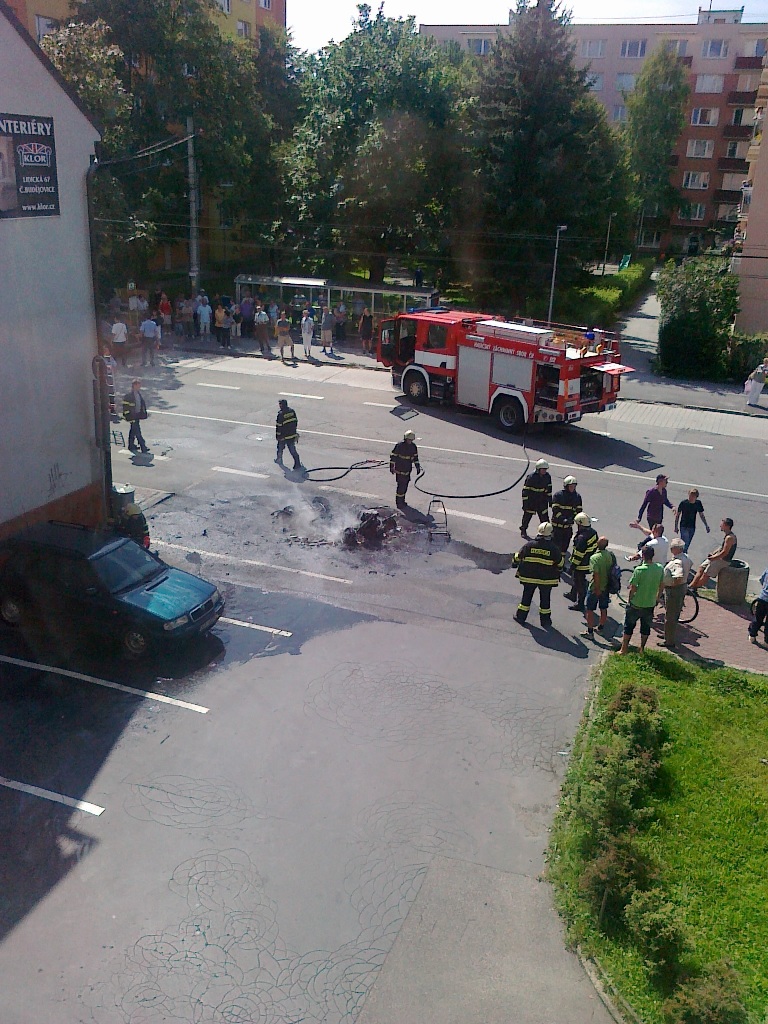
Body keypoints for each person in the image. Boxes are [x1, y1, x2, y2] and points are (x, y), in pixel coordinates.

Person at [513, 522, 564, 629]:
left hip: (529, 578)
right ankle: (545, 621)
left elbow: (518, 557)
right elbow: (560, 564)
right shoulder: (554, 548)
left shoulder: (529, 545)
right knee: (545, 600)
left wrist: (514, 562)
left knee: (526, 598)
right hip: (546, 580)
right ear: (550, 534)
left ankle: (521, 617)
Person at [618, 546, 664, 655]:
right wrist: (657, 598)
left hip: (636, 604)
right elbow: (661, 585)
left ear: (643, 556)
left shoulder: (639, 570)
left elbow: (633, 588)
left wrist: (629, 600)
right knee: (645, 628)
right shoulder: (659, 568)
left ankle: (624, 649)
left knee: (628, 627)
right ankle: (642, 649)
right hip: (650, 604)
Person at [659, 539, 693, 649]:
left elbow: (678, 576)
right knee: (674, 614)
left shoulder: (677, 562)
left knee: (670, 617)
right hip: (682, 588)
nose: (671, 549)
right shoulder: (686, 558)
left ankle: (669, 641)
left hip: (674, 591)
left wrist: (672, 585)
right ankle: (667, 635)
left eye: (672, 547)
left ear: (676, 549)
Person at [690, 518, 738, 589]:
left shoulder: (730, 538)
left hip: (723, 560)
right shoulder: (727, 535)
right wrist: (713, 553)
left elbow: (725, 552)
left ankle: (694, 588)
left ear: (727, 526)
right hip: (717, 557)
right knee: (701, 567)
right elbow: (721, 547)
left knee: (706, 574)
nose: (720, 526)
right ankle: (691, 585)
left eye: (722, 524)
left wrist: (713, 558)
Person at [567, 512, 598, 611]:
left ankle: (580, 604)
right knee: (576, 579)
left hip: (581, 564)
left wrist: (572, 567)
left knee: (580, 583)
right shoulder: (593, 532)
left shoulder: (582, 538)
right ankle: (572, 594)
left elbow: (578, 555)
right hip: (589, 561)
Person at [583, 536, 613, 639]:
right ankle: (600, 628)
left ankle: (590, 632)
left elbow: (596, 574)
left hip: (595, 588)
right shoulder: (609, 555)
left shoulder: (594, 558)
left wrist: (597, 588)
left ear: (597, 544)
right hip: (606, 586)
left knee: (590, 610)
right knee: (603, 608)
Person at [551, 475, 582, 555]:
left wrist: (572, 518)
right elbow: (555, 510)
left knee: (565, 545)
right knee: (556, 546)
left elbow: (578, 511)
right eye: (571, 486)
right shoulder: (558, 495)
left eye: (574, 486)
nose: (572, 488)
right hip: (557, 526)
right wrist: (562, 519)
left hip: (568, 527)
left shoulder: (577, 497)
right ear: (566, 486)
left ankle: (562, 559)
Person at [520, 459, 552, 538]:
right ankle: (523, 530)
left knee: (545, 518)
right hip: (532, 501)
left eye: (545, 469)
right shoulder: (531, 477)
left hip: (542, 501)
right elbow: (525, 491)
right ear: (538, 469)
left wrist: (550, 501)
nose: (544, 471)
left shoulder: (547, 477)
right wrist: (525, 503)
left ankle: (547, 533)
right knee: (527, 517)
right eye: (543, 469)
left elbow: (549, 489)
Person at [390, 429, 421, 509]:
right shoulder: (400, 445)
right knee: (400, 487)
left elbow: (415, 457)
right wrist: (392, 466)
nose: (410, 441)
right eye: (409, 440)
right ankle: (399, 503)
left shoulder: (413, 447)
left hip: (407, 469)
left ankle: (402, 501)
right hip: (399, 469)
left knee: (405, 487)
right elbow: (393, 456)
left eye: (411, 440)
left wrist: (417, 466)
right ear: (405, 438)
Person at [674, 488, 709, 553]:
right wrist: (676, 526)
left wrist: (706, 525)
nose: (691, 497)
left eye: (693, 496)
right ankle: (682, 555)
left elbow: (701, 515)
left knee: (687, 544)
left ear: (696, 497)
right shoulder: (683, 503)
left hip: (692, 526)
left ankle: (681, 554)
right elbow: (678, 515)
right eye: (690, 495)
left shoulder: (698, 503)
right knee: (685, 543)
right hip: (684, 526)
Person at [122, 379, 150, 454]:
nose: (139, 387)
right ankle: (143, 446)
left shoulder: (138, 394)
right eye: (138, 385)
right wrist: (129, 416)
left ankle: (131, 445)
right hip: (132, 417)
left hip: (137, 415)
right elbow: (125, 407)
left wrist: (143, 414)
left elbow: (141, 405)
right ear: (134, 385)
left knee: (133, 431)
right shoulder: (129, 396)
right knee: (138, 432)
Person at [275, 399, 302, 470]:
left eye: (280, 404)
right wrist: (294, 431)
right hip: (292, 434)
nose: (279, 405)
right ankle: (297, 463)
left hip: (283, 436)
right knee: (292, 449)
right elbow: (295, 421)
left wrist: (278, 436)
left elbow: (279, 427)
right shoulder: (292, 411)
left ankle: (279, 459)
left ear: (282, 405)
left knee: (280, 448)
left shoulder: (281, 414)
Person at [748, 565, 768, 645]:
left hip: (762, 598)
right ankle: (766, 642)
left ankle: (752, 635)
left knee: (758, 618)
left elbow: (761, 580)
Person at [101, 347, 117, 417]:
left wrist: (112, 368)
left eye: (107, 351)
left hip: (110, 377)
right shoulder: (102, 359)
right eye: (105, 351)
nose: (106, 352)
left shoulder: (110, 358)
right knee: (105, 393)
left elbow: (115, 365)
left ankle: (112, 409)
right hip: (104, 377)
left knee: (111, 393)